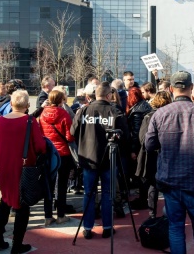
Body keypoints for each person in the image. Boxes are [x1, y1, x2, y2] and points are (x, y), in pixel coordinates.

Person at [145, 71, 194, 254]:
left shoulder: (160, 114)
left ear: (172, 89)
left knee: (176, 227)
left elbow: (149, 145)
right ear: (190, 88)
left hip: (171, 181)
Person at [0, 90, 46, 253]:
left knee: (5, 200)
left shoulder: (0, 121)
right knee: (22, 204)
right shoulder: (30, 121)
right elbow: (41, 146)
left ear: (11, 104)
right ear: (27, 105)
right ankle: (17, 244)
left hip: (4, 167)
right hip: (24, 168)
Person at [70, 81, 130, 239]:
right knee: (107, 193)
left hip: (88, 158)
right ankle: (107, 227)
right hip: (108, 160)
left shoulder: (83, 111)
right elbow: (126, 137)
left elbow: (72, 132)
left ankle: (88, 228)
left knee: (89, 193)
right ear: (109, 95)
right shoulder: (114, 111)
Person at [39, 90, 76, 226]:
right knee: (61, 185)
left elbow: (40, 133)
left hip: (48, 152)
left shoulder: (42, 113)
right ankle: (61, 214)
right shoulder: (64, 114)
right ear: (61, 100)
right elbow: (69, 136)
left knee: (48, 184)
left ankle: (48, 216)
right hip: (63, 153)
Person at [136, 91, 172, 218]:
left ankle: (152, 214)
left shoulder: (149, 116)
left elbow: (142, 138)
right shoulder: (170, 116)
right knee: (166, 186)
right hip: (164, 155)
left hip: (150, 155)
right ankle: (167, 213)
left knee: (152, 185)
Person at [126, 87, 152, 209]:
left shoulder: (137, 111)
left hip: (140, 146)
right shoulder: (145, 106)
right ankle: (145, 198)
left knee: (141, 173)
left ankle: (143, 199)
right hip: (147, 142)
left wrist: (132, 149)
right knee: (145, 173)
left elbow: (136, 132)